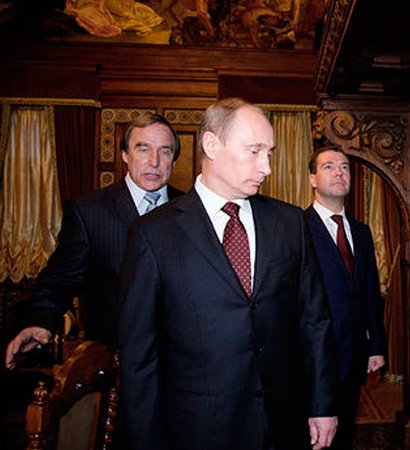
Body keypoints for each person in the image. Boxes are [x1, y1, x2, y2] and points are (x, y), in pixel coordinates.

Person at [118, 98, 338, 450]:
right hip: (196, 429)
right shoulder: (153, 234)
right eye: (254, 151)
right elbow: (139, 355)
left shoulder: (290, 223)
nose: (266, 167)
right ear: (211, 144)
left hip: (283, 421)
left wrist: (323, 405)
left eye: (269, 153)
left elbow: (315, 321)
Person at [4, 113, 183, 369]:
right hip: (112, 364)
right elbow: (61, 279)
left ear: (174, 159)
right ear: (125, 154)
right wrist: (40, 322)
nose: (154, 162)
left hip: (180, 364)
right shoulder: (89, 212)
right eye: (143, 149)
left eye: (165, 152)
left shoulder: (192, 211)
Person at [304, 146, 387, 450]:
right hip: (313, 359)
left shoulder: (362, 232)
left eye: (345, 167)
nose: (339, 172)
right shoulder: (297, 227)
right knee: (314, 437)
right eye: (328, 166)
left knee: (343, 433)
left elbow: (369, 292)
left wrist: (376, 346)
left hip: (354, 356)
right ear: (313, 178)